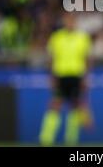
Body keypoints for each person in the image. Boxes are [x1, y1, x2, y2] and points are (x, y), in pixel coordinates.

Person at [39, 12, 93, 146]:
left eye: (72, 20)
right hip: (60, 75)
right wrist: (51, 77)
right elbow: (51, 59)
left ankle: (71, 140)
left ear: (75, 22)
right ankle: (46, 139)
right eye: (67, 20)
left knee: (75, 106)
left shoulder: (83, 37)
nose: (69, 23)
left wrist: (86, 77)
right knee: (55, 105)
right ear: (64, 21)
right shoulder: (56, 37)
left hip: (76, 76)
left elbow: (87, 59)